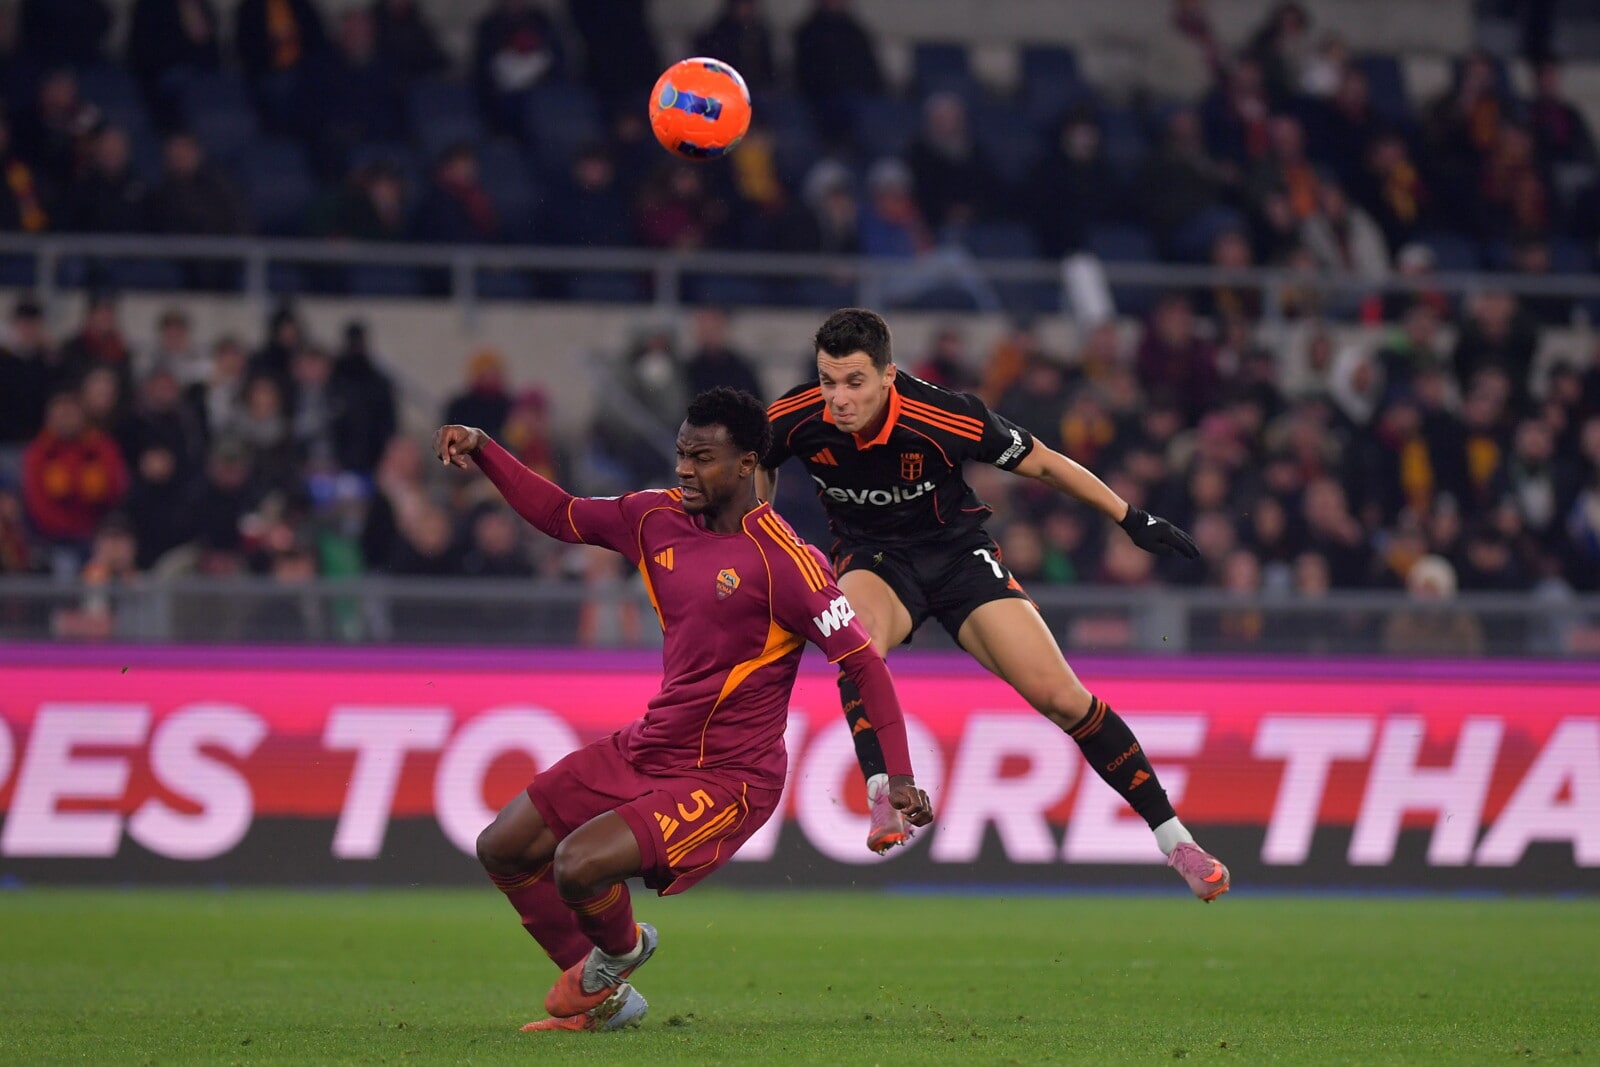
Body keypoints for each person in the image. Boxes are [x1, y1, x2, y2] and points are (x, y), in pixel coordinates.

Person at [434, 387, 933, 1033]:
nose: (684, 469)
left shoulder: (789, 563)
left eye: (702, 457)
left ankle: (620, 954)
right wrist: (484, 448)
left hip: (730, 776)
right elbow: (560, 514)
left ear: (747, 463)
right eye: (681, 454)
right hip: (649, 746)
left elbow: (863, 663)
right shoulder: (652, 517)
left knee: (578, 865)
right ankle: (607, 1003)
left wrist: (896, 775)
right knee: (502, 847)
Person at [759, 308, 1229, 901]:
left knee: (1064, 700)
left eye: (855, 382)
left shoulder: (943, 414)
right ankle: (883, 793)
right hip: (874, 560)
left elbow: (1045, 462)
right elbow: (756, 464)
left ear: (887, 375)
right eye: (829, 381)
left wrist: (1130, 518)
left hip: (958, 558)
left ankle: (1177, 841)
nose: (839, 398)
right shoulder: (795, 415)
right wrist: (758, 536)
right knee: (857, 642)